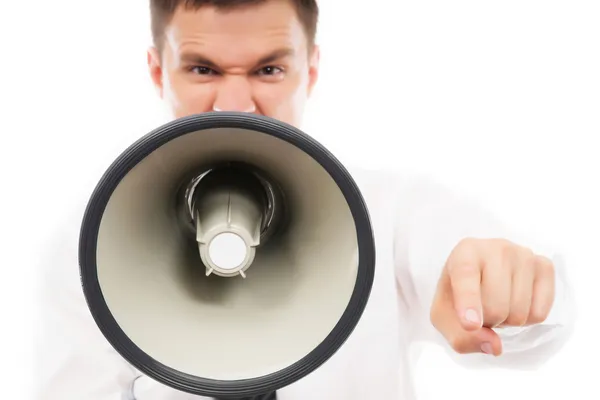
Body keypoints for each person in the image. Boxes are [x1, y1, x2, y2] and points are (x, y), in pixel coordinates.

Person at [35, 0, 575, 399]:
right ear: (158, 71)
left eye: (269, 69)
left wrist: (508, 292)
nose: (234, 105)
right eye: (202, 69)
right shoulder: (88, 248)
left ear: (309, 70)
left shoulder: (390, 214)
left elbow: (544, 322)